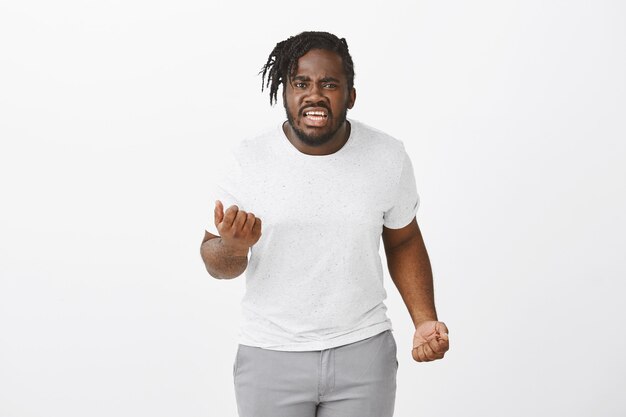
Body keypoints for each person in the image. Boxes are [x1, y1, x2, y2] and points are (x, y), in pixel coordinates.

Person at [200, 31, 449, 417]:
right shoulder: (248, 161)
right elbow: (216, 262)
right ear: (284, 92)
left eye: (329, 84)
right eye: (301, 83)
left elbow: (403, 240)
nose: (314, 95)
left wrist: (424, 319)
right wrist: (233, 247)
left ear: (350, 95)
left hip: (363, 352)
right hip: (271, 355)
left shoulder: (387, 156)